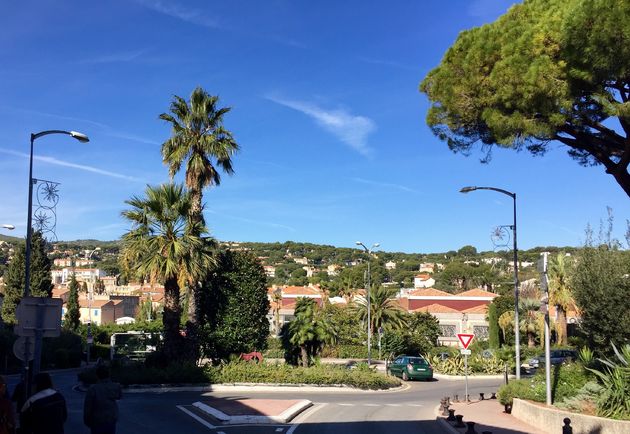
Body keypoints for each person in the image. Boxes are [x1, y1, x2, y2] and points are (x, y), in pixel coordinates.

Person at [83, 365, 122, 434]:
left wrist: (87, 420)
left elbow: (87, 408)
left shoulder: (93, 389)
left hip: (97, 421)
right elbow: (119, 396)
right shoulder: (116, 386)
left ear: (97, 375)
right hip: (110, 420)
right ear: (109, 374)